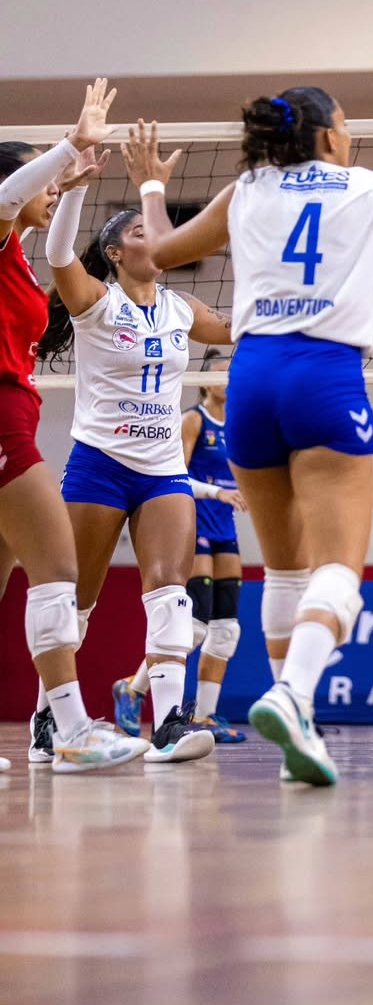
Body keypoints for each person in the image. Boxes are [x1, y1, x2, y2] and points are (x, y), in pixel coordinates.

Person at [121, 88, 373, 786]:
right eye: (349, 124)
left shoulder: (247, 189)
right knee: (338, 570)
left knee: (287, 569)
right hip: (324, 374)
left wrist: (152, 184)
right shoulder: (363, 187)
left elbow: (162, 255)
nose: (352, 136)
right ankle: (293, 696)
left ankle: (293, 723)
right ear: (328, 137)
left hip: (251, 376)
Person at [35, 133, 235, 765]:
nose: (159, 238)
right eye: (145, 233)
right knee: (78, 601)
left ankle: (170, 723)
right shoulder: (96, 302)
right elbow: (59, 251)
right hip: (98, 464)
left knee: (171, 590)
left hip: (161, 470)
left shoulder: (182, 309)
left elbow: (241, 331)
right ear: (117, 253)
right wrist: (77, 186)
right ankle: (50, 718)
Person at [0, 79, 148, 772]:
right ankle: (70, 730)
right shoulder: (0, 231)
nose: (52, 188)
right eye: (45, 179)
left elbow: (58, 244)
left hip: (14, 418)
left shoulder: (20, 257)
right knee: (58, 569)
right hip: (3, 426)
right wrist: (70, 145)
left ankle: (67, 729)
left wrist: (75, 177)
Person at [112, 348, 249, 743]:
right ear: (206, 382)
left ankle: (205, 716)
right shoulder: (193, 420)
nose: (228, 382)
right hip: (196, 520)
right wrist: (217, 494)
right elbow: (175, 476)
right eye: (221, 376)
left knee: (226, 630)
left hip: (224, 527)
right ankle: (133, 687)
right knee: (195, 625)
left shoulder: (236, 423)